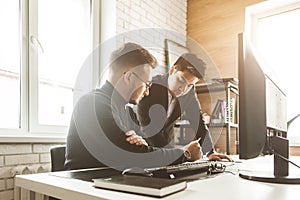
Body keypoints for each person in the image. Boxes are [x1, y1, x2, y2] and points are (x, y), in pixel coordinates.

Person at [65, 43, 202, 170]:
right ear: (129, 77)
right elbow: (134, 156)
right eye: (146, 84)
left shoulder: (127, 111)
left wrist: (140, 146)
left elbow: (144, 149)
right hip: (83, 187)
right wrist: (186, 153)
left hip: (109, 182)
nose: (147, 92)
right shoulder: (94, 104)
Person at [137, 53, 233, 161]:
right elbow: (149, 128)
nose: (182, 89)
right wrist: (179, 155)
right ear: (172, 70)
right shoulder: (151, 87)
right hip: (144, 146)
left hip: (168, 145)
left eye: (189, 85)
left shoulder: (189, 92)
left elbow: (198, 122)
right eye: (181, 80)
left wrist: (210, 152)